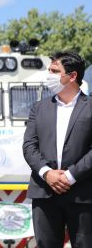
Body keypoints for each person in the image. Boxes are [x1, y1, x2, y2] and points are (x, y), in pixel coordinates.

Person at [23, 50, 92, 247]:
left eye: (54, 71)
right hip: (44, 192)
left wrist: (70, 176)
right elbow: (29, 146)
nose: (49, 75)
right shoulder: (39, 108)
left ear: (72, 76)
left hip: (83, 193)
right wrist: (47, 173)